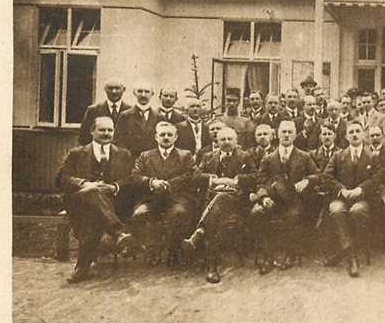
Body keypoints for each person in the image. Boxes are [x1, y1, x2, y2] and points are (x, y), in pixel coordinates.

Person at [55, 116, 135, 283]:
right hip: (80, 200)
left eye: (110, 130)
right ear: (92, 131)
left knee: (92, 217)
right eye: (102, 130)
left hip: (110, 203)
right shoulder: (77, 153)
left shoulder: (123, 154)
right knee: (93, 193)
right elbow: (62, 178)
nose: (106, 133)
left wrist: (114, 187)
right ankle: (118, 232)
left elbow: (129, 179)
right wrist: (85, 184)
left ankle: (81, 267)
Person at [181, 127, 255, 284]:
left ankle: (201, 236)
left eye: (230, 139)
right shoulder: (208, 157)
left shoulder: (245, 156)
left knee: (221, 199)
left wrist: (236, 180)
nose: (226, 142)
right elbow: (195, 176)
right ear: (217, 141)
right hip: (211, 202)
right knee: (216, 215)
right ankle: (211, 264)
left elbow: (255, 177)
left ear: (236, 141)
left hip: (236, 202)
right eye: (223, 139)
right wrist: (213, 180)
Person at [248, 120, 320, 273]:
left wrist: (307, 180)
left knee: (293, 215)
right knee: (257, 213)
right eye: (283, 132)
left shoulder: (304, 156)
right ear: (277, 134)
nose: (286, 135)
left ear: (295, 135)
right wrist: (263, 198)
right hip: (272, 199)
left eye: (290, 132)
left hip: (294, 200)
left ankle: (289, 253)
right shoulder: (268, 158)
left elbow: (318, 175)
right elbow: (259, 181)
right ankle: (268, 255)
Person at [128, 122, 197, 266]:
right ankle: (152, 249)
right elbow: (135, 175)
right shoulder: (145, 155)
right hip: (151, 199)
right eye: (162, 134)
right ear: (156, 137)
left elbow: (190, 175)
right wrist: (152, 182)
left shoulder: (185, 155)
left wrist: (168, 184)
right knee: (139, 214)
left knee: (179, 213)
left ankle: (173, 250)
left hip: (176, 198)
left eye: (169, 134)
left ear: (176, 137)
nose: (166, 137)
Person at [321, 121, 382, 278]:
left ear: (363, 134)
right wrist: (342, 190)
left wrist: (360, 189)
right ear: (347, 136)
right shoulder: (338, 155)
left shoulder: (372, 156)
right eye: (351, 132)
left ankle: (345, 253)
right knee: (335, 210)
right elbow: (326, 176)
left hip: (362, 199)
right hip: (342, 197)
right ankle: (351, 256)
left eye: (357, 131)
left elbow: (377, 178)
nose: (354, 134)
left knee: (357, 211)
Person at [78, 79, 131, 145]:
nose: (114, 92)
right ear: (105, 89)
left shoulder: (131, 111)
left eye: (117, 88)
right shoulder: (93, 110)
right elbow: (84, 137)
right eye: (110, 88)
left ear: (124, 89)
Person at [115, 82, 159, 158]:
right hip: (130, 160)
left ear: (152, 94)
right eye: (140, 91)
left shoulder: (159, 117)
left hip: (152, 161)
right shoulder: (125, 116)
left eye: (147, 92)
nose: (143, 95)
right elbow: (117, 141)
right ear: (134, 93)